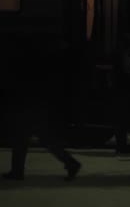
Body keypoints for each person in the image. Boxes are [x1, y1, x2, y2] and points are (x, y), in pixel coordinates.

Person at [2, 35, 81, 181]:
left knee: (22, 138)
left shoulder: (26, 66)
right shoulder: (43, 64)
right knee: (45, 139)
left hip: (30, 107)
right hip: (39, 107)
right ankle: (70, 163)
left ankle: (17, 171)